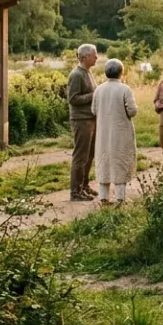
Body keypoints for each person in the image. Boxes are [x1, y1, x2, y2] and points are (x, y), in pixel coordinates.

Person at [91, 59, 138, 206]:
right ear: (120, 72)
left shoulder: (99, 89)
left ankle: (103, 198)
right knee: (120, 161)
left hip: (103, 132)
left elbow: (93, 110)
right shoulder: (124, 89)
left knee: (103, 161)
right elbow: (132, 110)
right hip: (120, 131)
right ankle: (119, 199)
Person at [67, 44, 98, 202]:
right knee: (80, 156)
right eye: (94, 55)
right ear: (85, 57)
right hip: (81, 120)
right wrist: (93, 95)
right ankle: (75, 191)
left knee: (89, 154)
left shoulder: (88, 72)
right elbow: (72, 99)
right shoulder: (76, 75)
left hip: (91, 119)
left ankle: (84, 186)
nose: (96, 58)